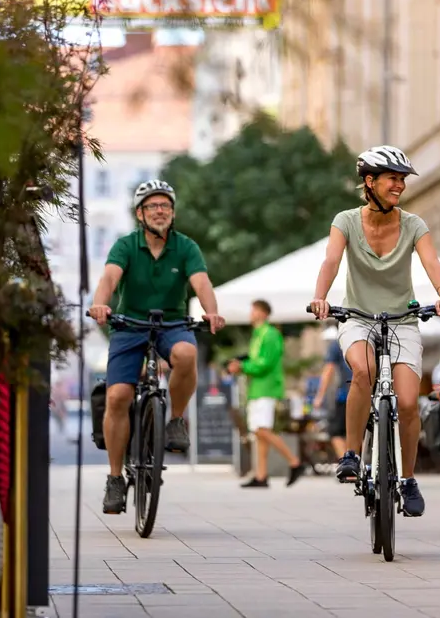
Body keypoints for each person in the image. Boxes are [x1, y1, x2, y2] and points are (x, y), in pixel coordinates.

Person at [308, 145, 440, 517]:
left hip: (402, 320)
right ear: (370, 181)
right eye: (393, 178)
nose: (400, 186)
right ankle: (352, 453)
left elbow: (432, 263)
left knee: (407, 402)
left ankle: (408, 478)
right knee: (364, 369)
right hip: (357, 316)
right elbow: (331, 260)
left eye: (402, 180)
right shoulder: (345, 221)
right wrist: (320, 297)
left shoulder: (413, 224)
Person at [88, 179, 225, 515]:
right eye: (152, 206)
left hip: (172, 324)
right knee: (118, 396)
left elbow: (201, 282)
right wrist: (100, 304)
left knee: (187, 354)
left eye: (166, 206)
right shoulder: (125, 245)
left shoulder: (186, 247)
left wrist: (211, 311)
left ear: (173, 213)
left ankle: (175, 419)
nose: (160, 211)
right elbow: (109, 278)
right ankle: (115, 478)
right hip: (129, 325)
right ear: (140, 214)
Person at [229, 299, 303, 488]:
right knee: (259, 432)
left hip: (266, 388)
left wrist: (242, 366)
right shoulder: (259, 334)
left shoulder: (269, 334)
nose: (251, 314)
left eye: (254, 310)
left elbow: (265, 363)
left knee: (262, 429)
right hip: (258, 388)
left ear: (263, 313)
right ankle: (261, 475)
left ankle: (294, 461)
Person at [312, 325, 351, 461]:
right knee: (361, 432)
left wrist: (319, 396)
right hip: (369, 394)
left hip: (346, 394)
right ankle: (359, 463)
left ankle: (348, 464)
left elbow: (328, 371)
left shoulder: (337, 343)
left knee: (336, 432)